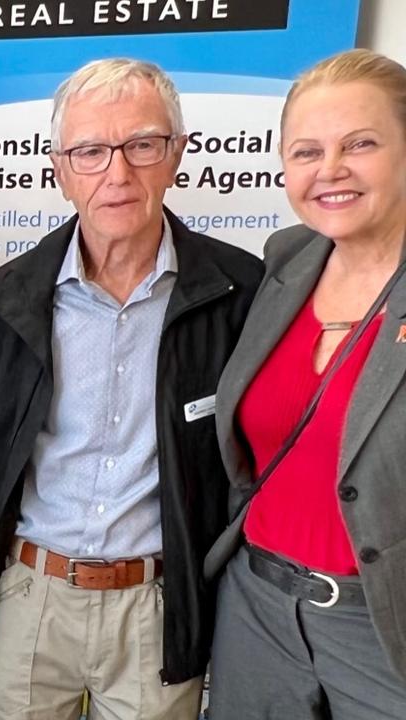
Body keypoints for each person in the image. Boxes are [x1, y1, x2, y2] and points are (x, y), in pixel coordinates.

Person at [0, 58, 263, 720]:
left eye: (142, 145)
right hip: (29, 597)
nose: (118, 173)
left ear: (176, 155)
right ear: (62, 170)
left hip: (157, 605)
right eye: (91, 151)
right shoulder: (3, 300)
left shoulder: (239, 294)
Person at [206, 49, 406, 719]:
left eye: (362, 144)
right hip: (256, 609)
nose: (331, 171)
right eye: (306, 151)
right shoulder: (288, 260)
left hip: (382, 626)